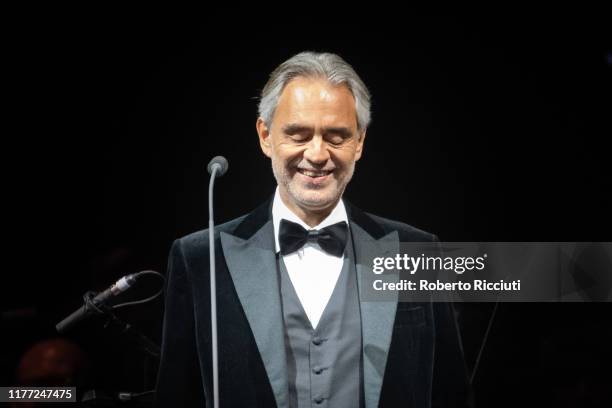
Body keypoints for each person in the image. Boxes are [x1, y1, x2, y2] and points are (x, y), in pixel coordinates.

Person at [155, 51, 469, 407]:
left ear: (360, 142)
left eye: (336, 136)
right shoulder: (199, 258)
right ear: (265, 135)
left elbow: (451, 393)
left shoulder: (419, 251)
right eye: (299, 134)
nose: (317, 154)